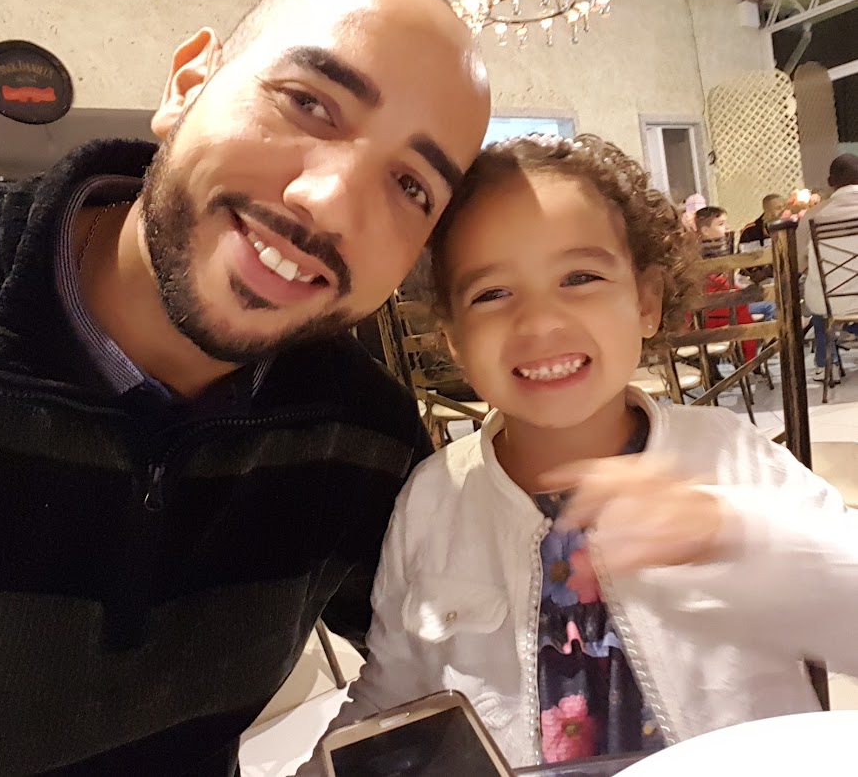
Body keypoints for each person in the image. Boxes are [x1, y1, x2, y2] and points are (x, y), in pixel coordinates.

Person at [0, 0, 491, 776]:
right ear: (187, 84)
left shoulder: (361, 439)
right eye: (310, 103)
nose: (329, 203)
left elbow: (478, 646)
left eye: (412, 187)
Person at [295, 134, 858, 774]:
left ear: (646, 302)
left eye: (580, 278)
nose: (540, 323)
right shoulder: (434, 498)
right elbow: (394, 696)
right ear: (452, 337)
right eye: (492, 293)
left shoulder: (731, 459)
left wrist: (736, 537)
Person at [801, 153, 858, 382]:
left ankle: (827, 365)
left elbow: (800, 263)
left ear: (830, 182)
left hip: (831, 303)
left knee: (817, 291)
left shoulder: (813, 216)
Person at [694, 205, 758, 361]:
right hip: (713, 307)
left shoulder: (712, 247)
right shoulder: (705, 251)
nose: (727, 227)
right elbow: (713, 280)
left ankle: (749, 358)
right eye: (721, 224)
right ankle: (749, 360)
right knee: (757, 308)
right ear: (705, 231)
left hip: (712, 305)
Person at [737, 193, 783, 317]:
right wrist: (759, 273)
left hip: (779, 276)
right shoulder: (750, 231)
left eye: (783, 207)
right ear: (766, 210)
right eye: (778, 208)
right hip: (755, 279)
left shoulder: (787, 227)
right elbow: (743, 260)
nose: (781, 211)